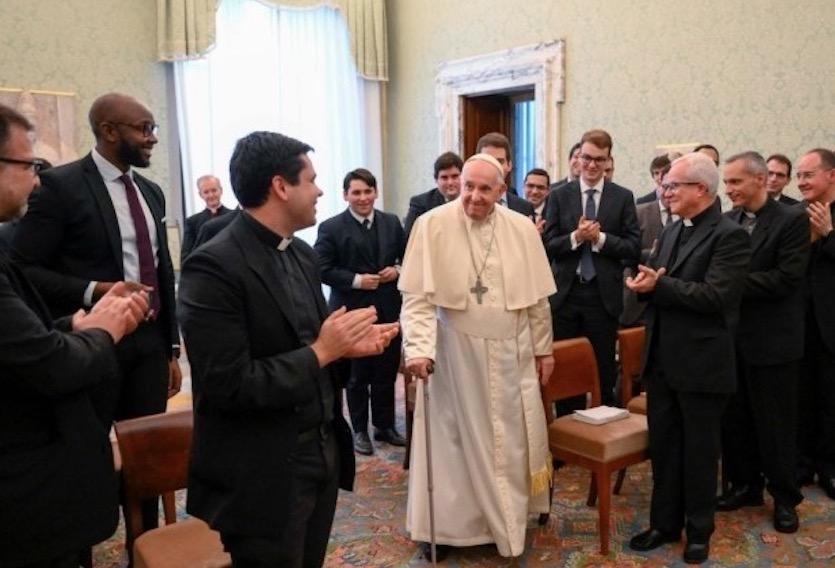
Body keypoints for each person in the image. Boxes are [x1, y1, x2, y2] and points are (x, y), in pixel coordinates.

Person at [178, 131, 398, 567]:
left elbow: (309, 344)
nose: (319, 191)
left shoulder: (301, 254)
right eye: (311, 180)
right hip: (263, 469)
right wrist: (323, 351)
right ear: (281, 186)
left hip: (320, 451)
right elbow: (228, 384)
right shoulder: (212, 266)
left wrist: (345, 349)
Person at [11, 93, 181, 530]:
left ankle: (143, 541)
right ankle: (83, 537)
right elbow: (25, 269)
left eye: (153, 128)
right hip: (88, 343)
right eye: (144, 129)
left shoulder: (151, 192)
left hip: (148, 343)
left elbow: (162, 271)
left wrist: (171, 348)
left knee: (146, 454)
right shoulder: (61, 187)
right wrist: (94, 291)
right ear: (109, 131)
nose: (153, 138)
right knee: (86, 452)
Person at [0, 103, 149, 568]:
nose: (37, 181)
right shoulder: (64, 189)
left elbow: (18, 337)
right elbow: (50, 364)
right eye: (30, 165)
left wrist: (70, 326)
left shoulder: (151, 192)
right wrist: (100, 325)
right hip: (27, 490)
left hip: (131, 346)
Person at [399, 153, 555, 560]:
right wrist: (419, 349)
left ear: (502, 190)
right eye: (468, 186)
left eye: (486, 189)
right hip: (455, 355)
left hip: (512, 354)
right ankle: (447, 531)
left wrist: (544, 348)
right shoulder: (431, 224)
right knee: (451, 444)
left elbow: (537, 301)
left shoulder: (522, 228)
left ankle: (505, 524)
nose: (474, 196)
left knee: (509, 444)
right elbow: (416, 299)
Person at [626, 152, 750, 564]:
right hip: (662, 360)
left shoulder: (730, 235)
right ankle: (664, 523)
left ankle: (699, 531)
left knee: (699, 453)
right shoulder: (673, 229)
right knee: (664, 449)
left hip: (702, 366)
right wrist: (644, 283)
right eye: (664, 184)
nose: (665, 191)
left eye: (673, 185)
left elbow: (717, 297)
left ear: (701, 189)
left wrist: (658, 287)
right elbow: (660, 280)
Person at [718, 151, 808, 533]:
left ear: (760, 180)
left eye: (735, 181)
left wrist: (729, 283)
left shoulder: (792, 219)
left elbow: (786, 278)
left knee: (776, 426)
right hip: (732, 340)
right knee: (736, 421)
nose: (728, 189)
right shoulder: (728, 221)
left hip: (774, 342)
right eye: (726, 182)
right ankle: (745, 486)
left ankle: (785, 498)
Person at [543, 128, 640, 406]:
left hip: (603, 297)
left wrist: (600, 239)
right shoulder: (559, 195)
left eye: (599, 159)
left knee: (604, 372)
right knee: (566, 373)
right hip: (566, 296)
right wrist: (577, 237)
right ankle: (566, 429)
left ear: (608, 160)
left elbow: (633, 247)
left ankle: (603, 427)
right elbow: (548, 246)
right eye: (586, 158)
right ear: (577, 158)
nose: (592, 165)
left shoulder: (622, 197)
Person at [315, 168, 406, 455]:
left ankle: (384, 425)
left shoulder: (392, 222)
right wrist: (356, 280)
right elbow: (321, 268)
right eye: (356, 192)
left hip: (388, 308)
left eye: (368, 191)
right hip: (351, 311)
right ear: (345, 195)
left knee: (386, 371)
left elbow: (407, 257)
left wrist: (397, 270)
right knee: (356, 376)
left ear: (376, 192)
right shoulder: (330, 227)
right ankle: (359, 430)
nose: (363, 197)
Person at [795, 148, 835, 499]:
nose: (801, 182)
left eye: (808, 175)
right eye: (799, 176)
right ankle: (802, 464)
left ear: (831, 175)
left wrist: (829, 236)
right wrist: (808, 241)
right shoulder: (795, 214)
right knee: (801, 397)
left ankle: (830, 467)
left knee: (830, 398)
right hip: (797, 323)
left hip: (831, 324)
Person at [621, 163, 677, 328]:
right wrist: (653, 253)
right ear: (658, 183)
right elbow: (623, 252)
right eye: (664, 186)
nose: (668, 193)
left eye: (674, 187)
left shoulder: (687, 218)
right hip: (638, 303)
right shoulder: (638, 212)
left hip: (674, 302)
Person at [403, 151, 463, 239]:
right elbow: (410, 238)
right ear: (436, 180)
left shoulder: (472, 201)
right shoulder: (421, 204)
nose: (450, 182)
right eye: (444, 178)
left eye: (455, 176)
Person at [476, 132, 535, 217]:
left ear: (509, 165)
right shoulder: (468, 204)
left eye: (499, 161)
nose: (494, 166)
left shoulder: (525, 208)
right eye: (488, 161)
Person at [180, 174, 233, 258]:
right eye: (206, 192)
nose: (211, 195)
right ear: (200, 195)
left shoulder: (234, 217)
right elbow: (186, 255)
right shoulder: (192, 222)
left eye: (214, 190)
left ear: (221, 191)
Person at [522, 167, 550, 232]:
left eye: (540, 187)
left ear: (548, 191)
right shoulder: (514, 210)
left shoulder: (553, 214)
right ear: (523, 187)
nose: (535, 192)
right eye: (530, 186)